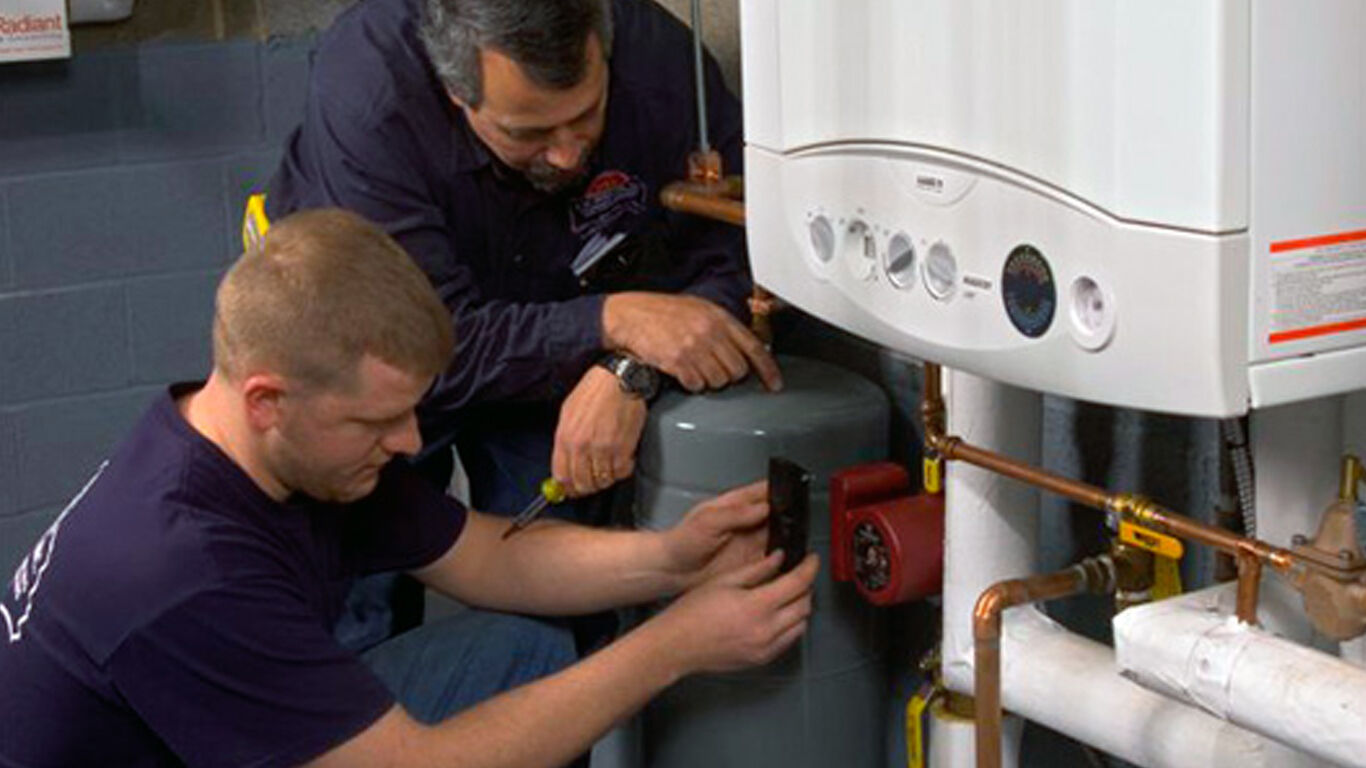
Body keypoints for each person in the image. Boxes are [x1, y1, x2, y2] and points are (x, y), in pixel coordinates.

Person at [0, 209, 818, 768]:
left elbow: (491, 559)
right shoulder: (180, 572)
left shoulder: (278, 450)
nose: (411, 443)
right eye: (379, 422)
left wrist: (673, 560)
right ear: (267, 399)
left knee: (522, 648)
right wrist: (676, 645)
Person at [265, 0, 783, 519]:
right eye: (527, 133)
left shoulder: (659, 59)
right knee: (358, 554)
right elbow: (417, 349)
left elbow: (747, 246)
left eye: (586, 116)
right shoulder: (372, 95)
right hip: (382, 353)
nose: (566, 155)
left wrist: (631, 366)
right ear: (454, 94)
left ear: (603, 52)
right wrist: (614, 320)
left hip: (553, 342)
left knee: (562, 553)